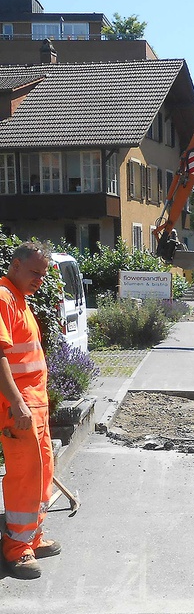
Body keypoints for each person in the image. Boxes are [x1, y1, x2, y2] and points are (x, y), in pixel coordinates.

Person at [0, 242, 59, 579]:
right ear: (16, 265)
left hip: (34, 405)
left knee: (41, 471)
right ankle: (16, 548)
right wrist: (17, 402)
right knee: (25, 476)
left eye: (43, 273)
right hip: (20, 408)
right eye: (35, 272)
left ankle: (32, 536)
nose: (39, 278)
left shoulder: (18, 299)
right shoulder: (4, 297)